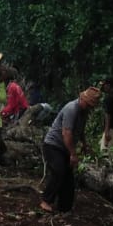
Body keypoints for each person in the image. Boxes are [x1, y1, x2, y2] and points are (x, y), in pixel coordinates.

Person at [40, 85, 101, 213]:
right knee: (59, 170)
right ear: (82, 99)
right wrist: (73, 154)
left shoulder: (84, 112)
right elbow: (66, 133)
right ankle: (46, 201)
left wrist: (84, 144)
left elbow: (80, 130)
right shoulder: (71, 109)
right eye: (89, 104)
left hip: (65, 147)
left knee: (68, 178)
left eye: (92, 106)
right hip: (53, 145)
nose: (90, 108)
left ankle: (64, 206)